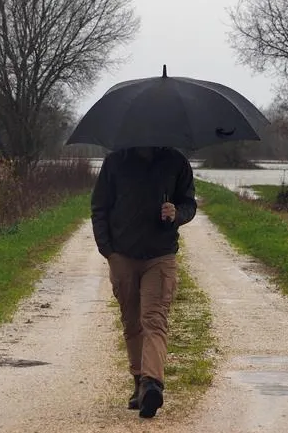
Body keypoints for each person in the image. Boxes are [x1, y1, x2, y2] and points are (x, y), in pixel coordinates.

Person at [90, 146, 197, 419]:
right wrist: (109, 252)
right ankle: (139, 381)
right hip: (122, 255)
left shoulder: (176, 161)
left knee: (155, 319)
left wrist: (177, 213)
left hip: (160, 256)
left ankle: (152, 384)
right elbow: (99, 208)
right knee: (132, 321)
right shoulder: (115, 161)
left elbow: (189, 204)